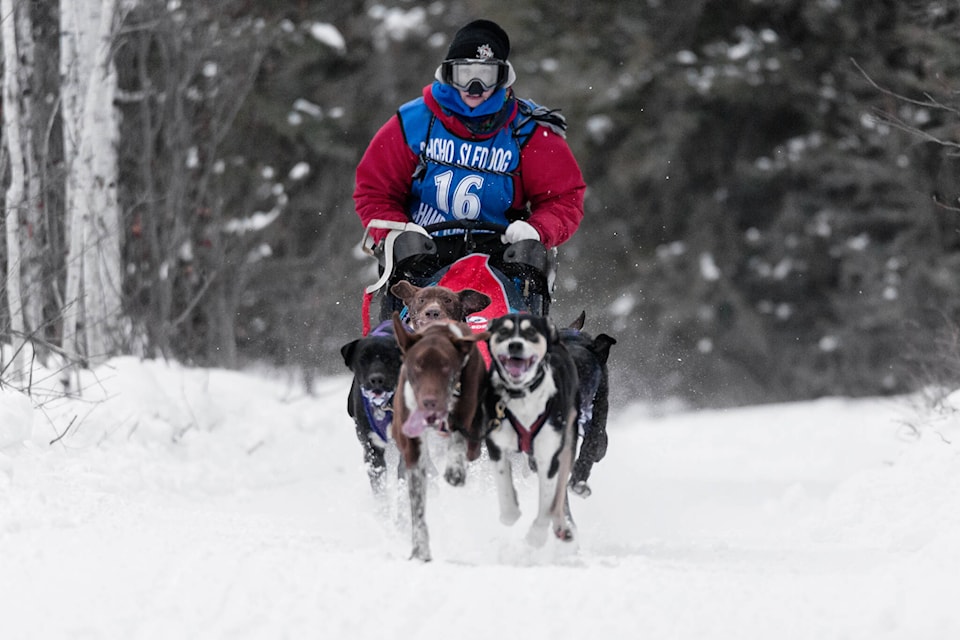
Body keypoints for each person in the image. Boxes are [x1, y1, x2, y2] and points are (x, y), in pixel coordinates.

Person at [353, 18, 586, 319]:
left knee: (517, 303)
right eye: (465, 74)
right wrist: (396, 230)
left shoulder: (529, 130)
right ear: (449, 74)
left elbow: (565, 197)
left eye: (486, 76)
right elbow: (374, 191)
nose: (475, 87)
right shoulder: (414, 122)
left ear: (502, 78)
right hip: (424, 255)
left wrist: (536, 230)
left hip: (501, 254)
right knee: (404, 327)